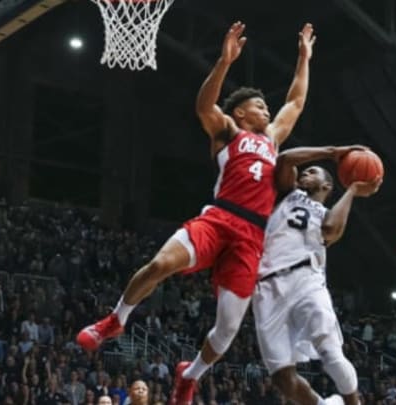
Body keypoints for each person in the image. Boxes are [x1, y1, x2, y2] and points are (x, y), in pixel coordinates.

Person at [77, 20, 316, 405]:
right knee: (159, 264)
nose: (266, 108)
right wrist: (223, 63)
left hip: (252, 236)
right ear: (239, 113)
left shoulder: (272, 139)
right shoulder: (227, 132)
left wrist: (304, 59)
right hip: (219, 218)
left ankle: (189, 376)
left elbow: (296, 103)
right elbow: (204, 105)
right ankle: (115, 320)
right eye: (258, 105)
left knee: (227, 330)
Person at [253, 146, 381, 405]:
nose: (304, 175)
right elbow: (286, 159)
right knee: (281, 378)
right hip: (266, 287)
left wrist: (353, 190)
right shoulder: (286, 195)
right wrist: (332, 152)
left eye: (312, 173)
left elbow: (331, 231)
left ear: (326, 186)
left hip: (306, 279)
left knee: (330, 354)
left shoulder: (327, 213)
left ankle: (353, 402)